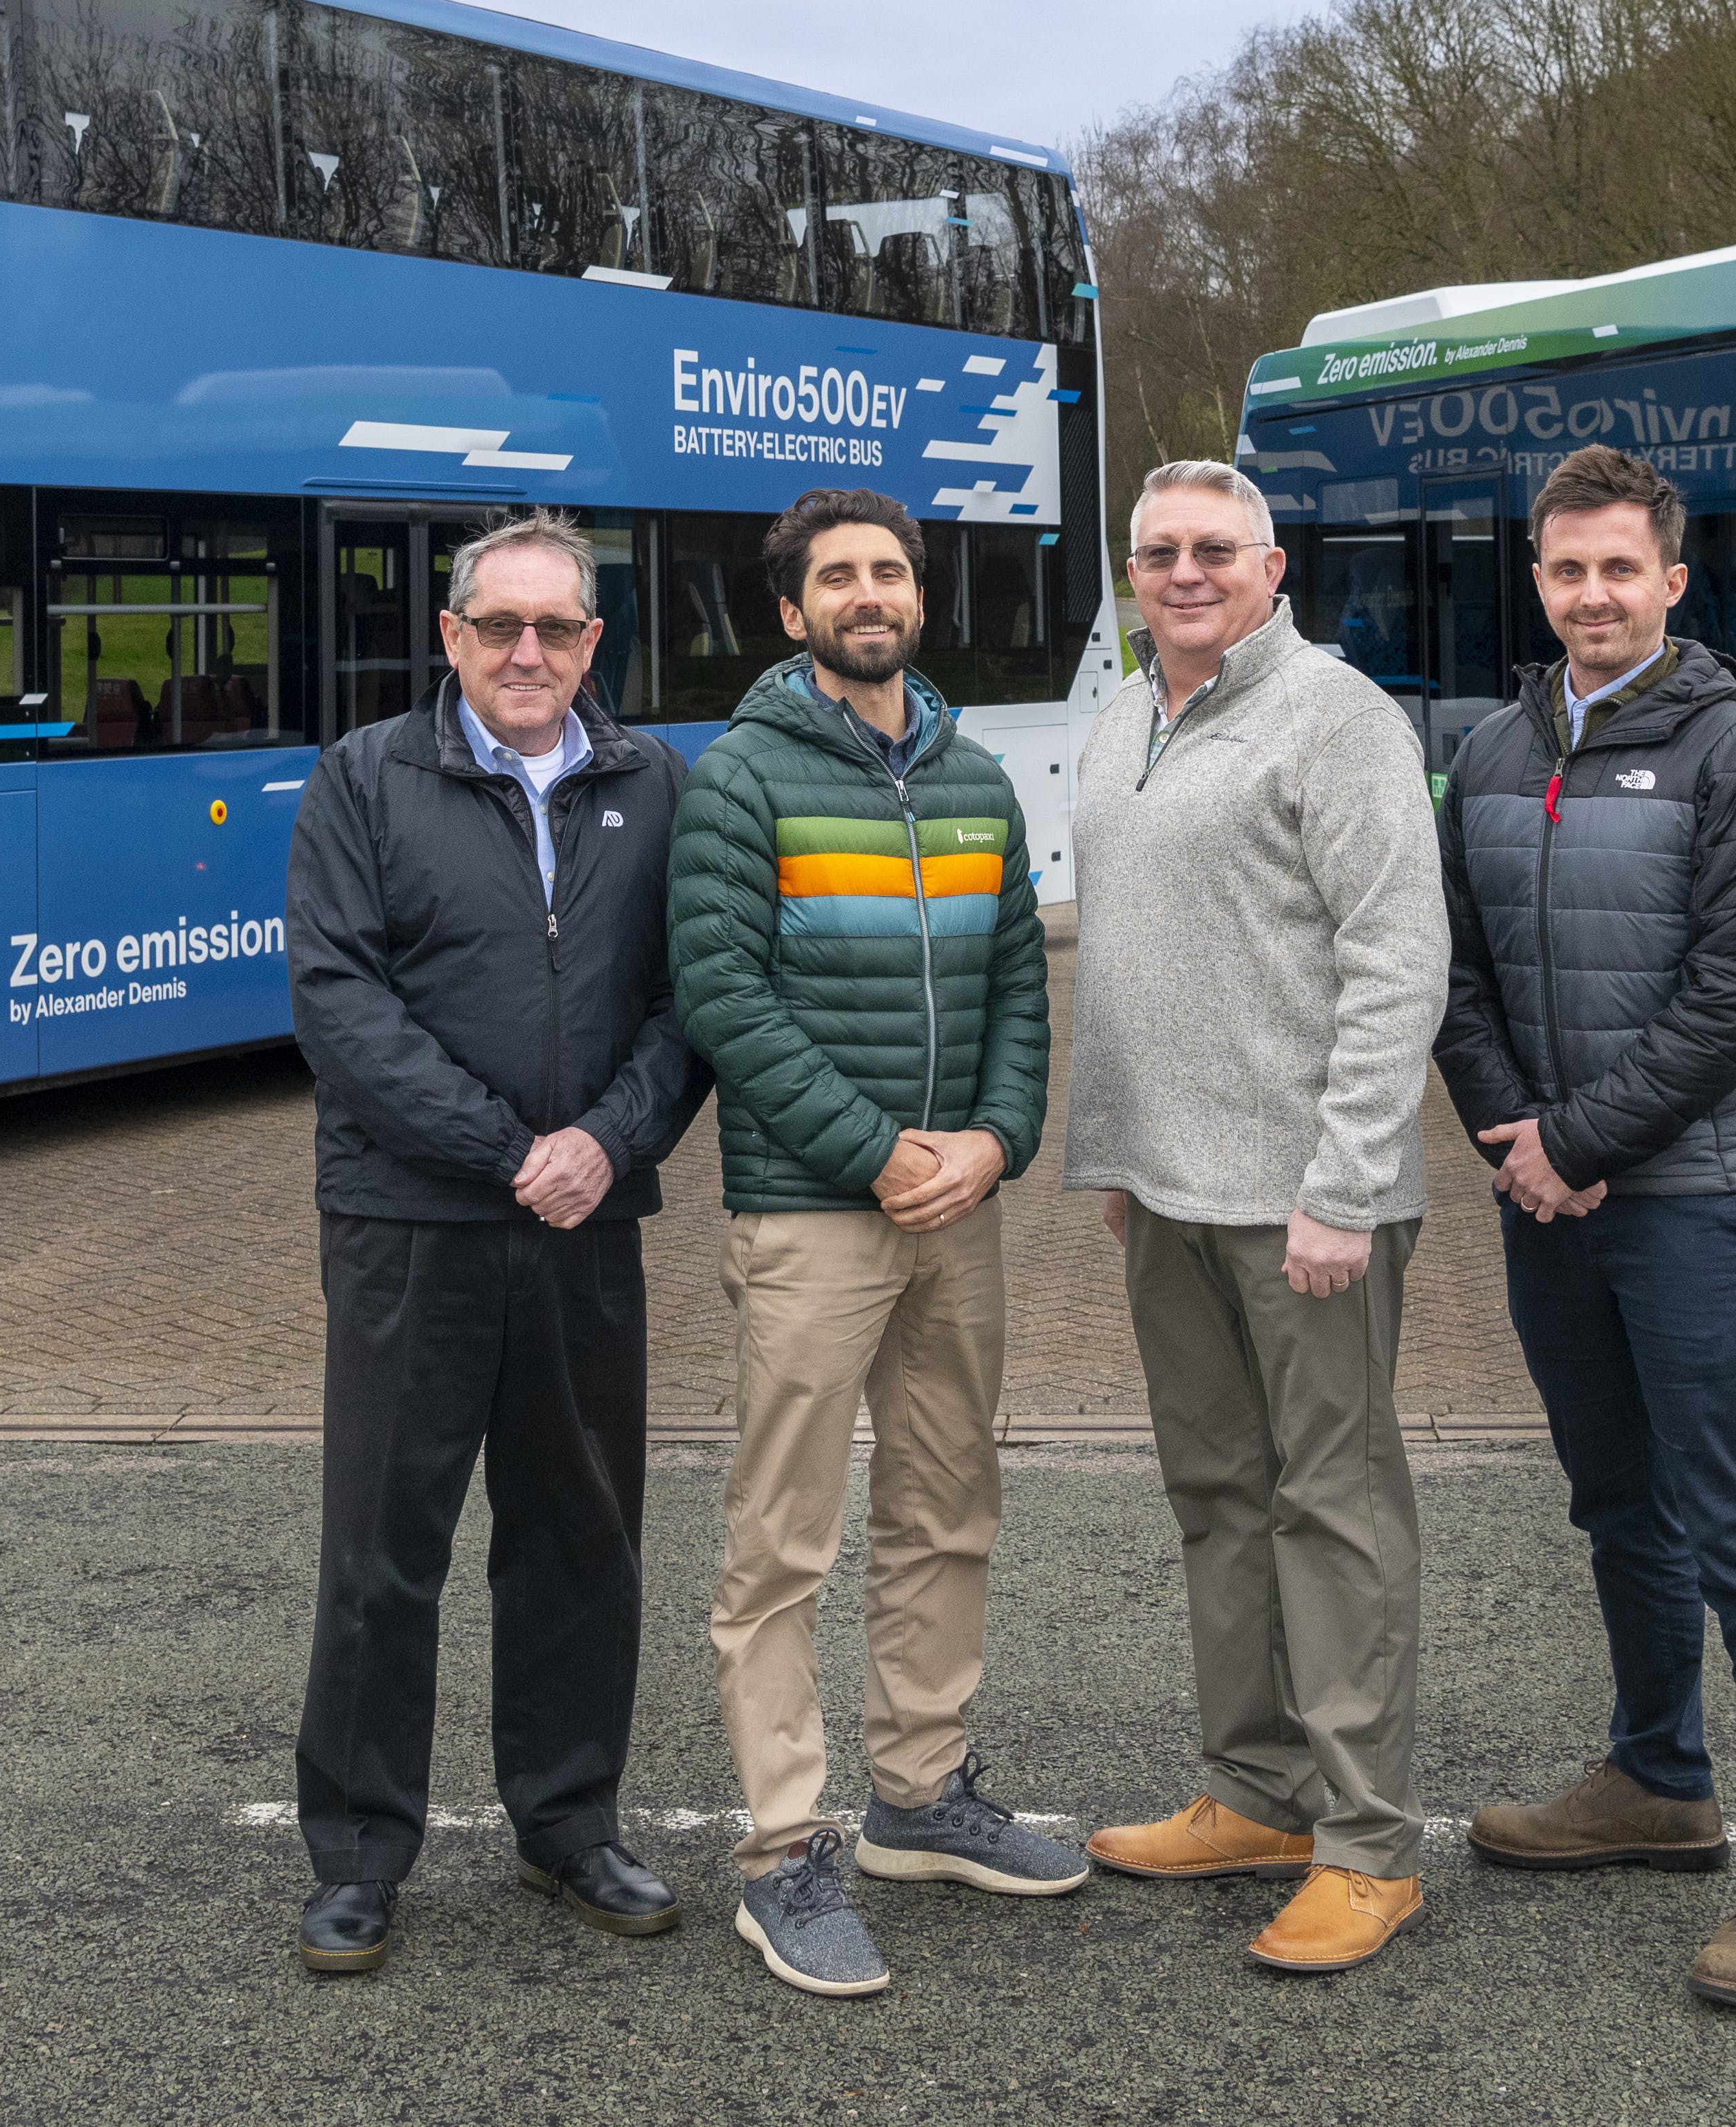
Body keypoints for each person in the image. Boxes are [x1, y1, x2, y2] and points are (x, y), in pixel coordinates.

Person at [1435, 443, 1736, 2009]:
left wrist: (1585, 1139)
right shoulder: (1486, 749)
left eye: (1620, 567)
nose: (1590, 593)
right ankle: (1658, 1776)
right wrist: (1517, 1138)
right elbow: (1453, 971)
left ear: (1672, 580)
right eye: (1565, 569)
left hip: (1705, 1207)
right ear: (1534, 581)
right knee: (1617, 1505)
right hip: (1548, 1202)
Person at [667, 487, 1079, 2000]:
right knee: (780, 1540)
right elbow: (721, 995)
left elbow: (1020, 995)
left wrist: (989, 1141)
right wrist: (874, 1149)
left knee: (945, 1499)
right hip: (809, 1211)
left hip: (951, 1212)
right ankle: (782, 1852)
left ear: (919, 595)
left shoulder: (977, 776)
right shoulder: (739, 779)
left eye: (888, 569)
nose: (866, 590)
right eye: (834, 574)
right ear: (789, 611)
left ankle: (919, 1792)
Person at [282, 509, 704, 1976]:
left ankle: (568, 1818)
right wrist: (506, 1148)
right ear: (451, 637)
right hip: (412, 1225)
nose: (527, 651)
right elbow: (339, 1005)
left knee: (579, 1534)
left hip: (588, 1220)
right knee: (381, 1552)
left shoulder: (654, 783)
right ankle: (354, 1852)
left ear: (592, 644)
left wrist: (609, 1140)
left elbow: (685, 999)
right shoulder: (362, 778)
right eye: (498, 624)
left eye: (557, 627)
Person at [1062, 457, 1452, 1976]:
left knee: (1331, 1507)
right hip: (1162, 1191)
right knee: (1217, 1497)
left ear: (1272, 566)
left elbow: (1394, 958)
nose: (1181, 571)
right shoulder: (1119, 720)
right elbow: (1130, 956)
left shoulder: (1335, 717)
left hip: (1306, 1205)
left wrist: (1345, 1181)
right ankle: (1252, 1786)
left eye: (1213, 549)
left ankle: (1365, 1844)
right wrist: (1114, 1153)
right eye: (1156, 549)